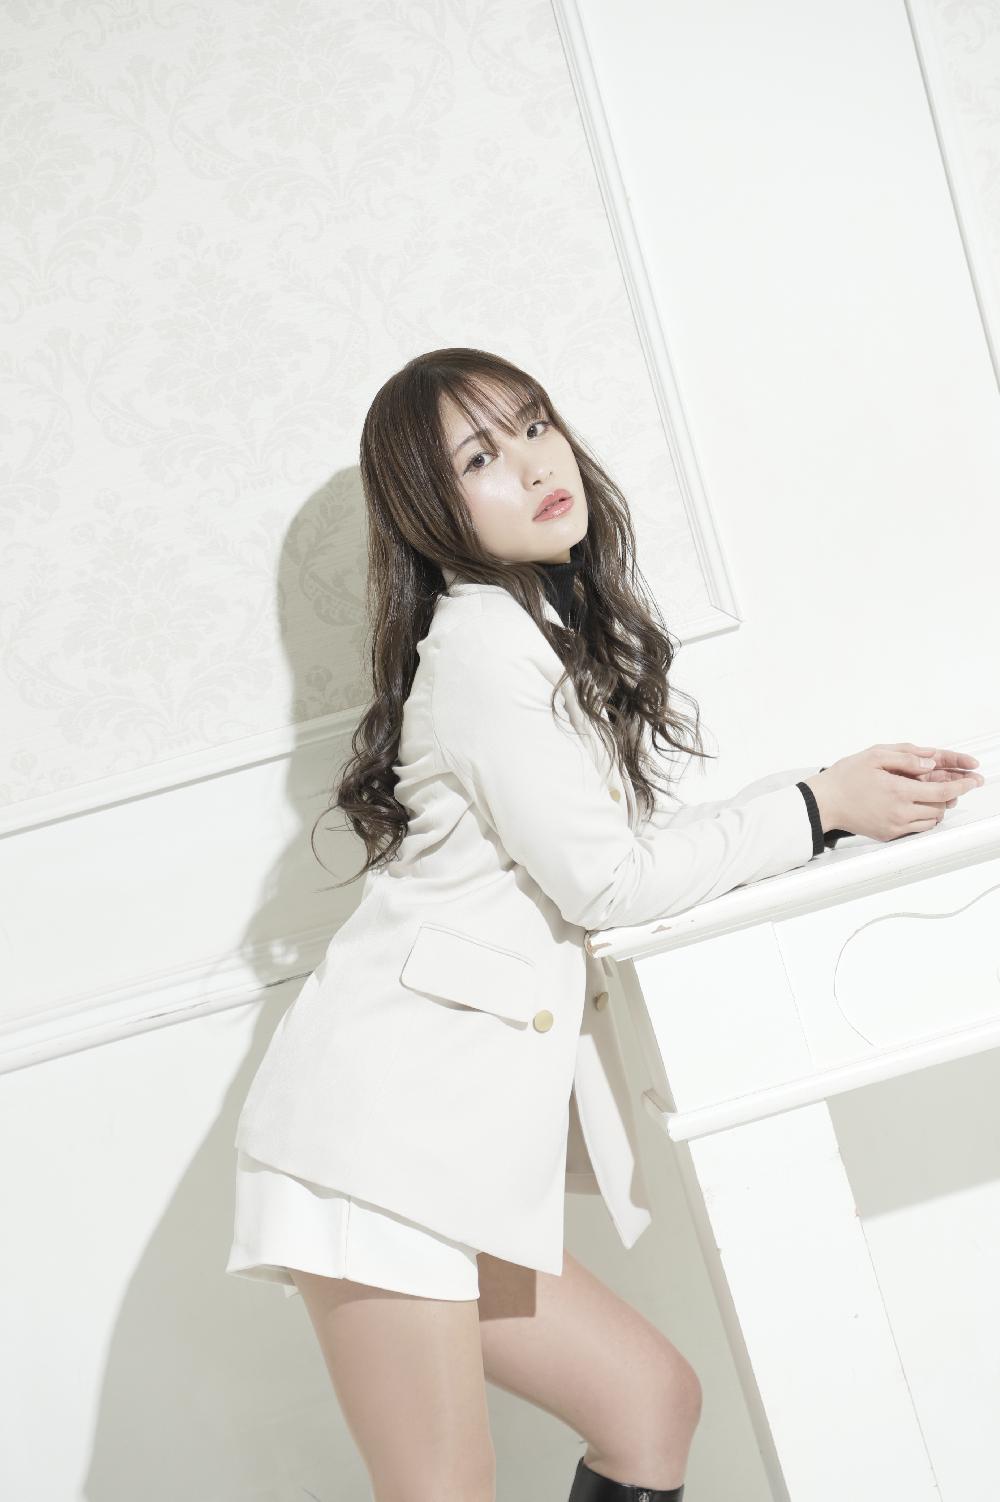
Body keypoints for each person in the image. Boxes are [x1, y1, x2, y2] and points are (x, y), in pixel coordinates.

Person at [226, 347, 983, 1502]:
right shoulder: (482, 644)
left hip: (432, 1146)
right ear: (431, 510)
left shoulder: (528, 631)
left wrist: (824, 797)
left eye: (535, 425)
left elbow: (617, 853)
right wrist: (816, 805)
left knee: (646, 1403)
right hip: (380, 1139)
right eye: (481, 456)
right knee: (442, 1484)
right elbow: (609, 886)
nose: (536, 463)